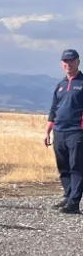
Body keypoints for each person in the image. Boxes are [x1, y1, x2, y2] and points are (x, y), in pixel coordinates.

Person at [45, 49, 83, 213]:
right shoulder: (60, 85)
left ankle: (74, 203)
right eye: (65, 61)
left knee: (77, 166)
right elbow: (54, 109)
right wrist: (47, 131)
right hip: (59, 131)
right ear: (62, 64)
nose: (68, 64)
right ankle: (68, 196)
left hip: (77, 131)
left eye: (71, 61)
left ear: (78, 62)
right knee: (63, 166)